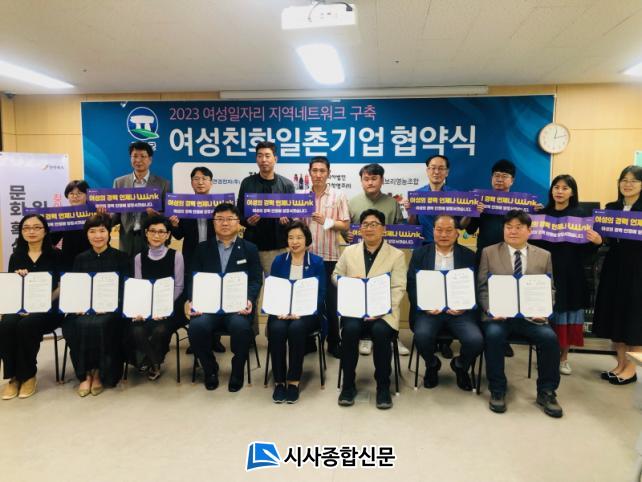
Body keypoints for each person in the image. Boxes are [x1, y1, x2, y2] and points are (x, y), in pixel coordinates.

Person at [477, 210, 563, 418]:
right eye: (508, 227)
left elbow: (549, 289)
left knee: (550, 338)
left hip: (531, 317)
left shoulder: (544, 255)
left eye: (518, 227)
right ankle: (498, 389)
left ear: (529, 231)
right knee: (494, 336)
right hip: (499, 316)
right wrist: (490, 309)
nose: (512, 231)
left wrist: (544, 311)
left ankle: (547, 391)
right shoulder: (489, 252)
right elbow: (482, 287)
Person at [333, 209, 407, 409]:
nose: (369, 228)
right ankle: (348, 384)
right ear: (360, 229)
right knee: (350, 330)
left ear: (383, 229)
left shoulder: (396, 255)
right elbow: (335, 276)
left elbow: (399, 287)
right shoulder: (349, 252)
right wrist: (347, 281)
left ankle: (383, 386)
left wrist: (383, 309)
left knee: (381, 332)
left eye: (374, 224)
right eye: (365, 224)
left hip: (383, 312)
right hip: (354, 310)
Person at [186, 203, 262, 392]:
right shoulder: (202, 248)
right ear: (213, 223)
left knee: (241, 327)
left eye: (230, 219)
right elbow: (193, 278)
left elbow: (255, 280)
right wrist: (192, 300)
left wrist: (249, 299)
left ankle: (237, 370)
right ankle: (210, 369)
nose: (225, 223)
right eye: (220, 219)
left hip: (237, 307)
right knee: (196, 327)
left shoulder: (250, 249)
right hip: (208, 307)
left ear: (238, 222)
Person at [531, 175, 602, 375]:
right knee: (544, 316)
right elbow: (533, 244)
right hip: (544, 273)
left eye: (565, 188)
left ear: (572, 192)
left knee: (567, 317)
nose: (559, 191)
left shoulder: (581, 216)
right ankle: (545, 356)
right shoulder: (541, 214)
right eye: (556, 187)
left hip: (571, 275)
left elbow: (587, 252)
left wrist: (597, 242)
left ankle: (563, 358)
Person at [406, 215, 483, 391]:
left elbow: (475, 286)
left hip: (460, 313)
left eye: (449, 230)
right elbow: (411, 284)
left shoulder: (469, 256)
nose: (443, 234)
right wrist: (425, 306)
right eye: (439, 230)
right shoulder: (419, 254)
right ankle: (432, 365)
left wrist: (464, 306)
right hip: (429, 312)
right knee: (421, 336)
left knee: (475, 340)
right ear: (433, 231)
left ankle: (461, 366)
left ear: (457, 233)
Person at [62, 213, 131, 396]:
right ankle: (85, 374)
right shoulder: (80, 258)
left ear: (109, 232)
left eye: (102, 231)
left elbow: (126, 288)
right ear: (87, 235)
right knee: (75, 324)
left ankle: (100, 372)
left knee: (101, 324)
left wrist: (110, 304)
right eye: (92, 231)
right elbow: (76, 287)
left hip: (112, 309)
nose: (97, 236)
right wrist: (78, 305)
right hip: (84, 309)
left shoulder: (122, 257)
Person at [347, 163, 409, 356]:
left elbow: (401, 227)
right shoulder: (353, 203)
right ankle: (365, 337)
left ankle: (393, 337)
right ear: (361, 181)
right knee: (362, 300)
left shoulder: (392, 203)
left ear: (382, 180)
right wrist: (346, 235)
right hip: (361, 260)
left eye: (374, 178)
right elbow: (346, 231)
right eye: (366, 179)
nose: (370, 182)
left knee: (390, 297)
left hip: (386, 260)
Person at [0, 214, 63, 400]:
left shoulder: (56, 255)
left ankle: (28, 376)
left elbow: (62, 286)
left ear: (45, 231)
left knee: (27, 325)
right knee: (7, 324)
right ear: (21, 232)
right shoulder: (16, 256)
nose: (31, 231)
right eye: (26, 228)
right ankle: (13, 377)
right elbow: (12, 287)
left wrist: (41, 303)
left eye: (36, 227)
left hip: (50, 308)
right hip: (21, 306)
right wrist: (18, 278)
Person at [461, 159, 520, 358]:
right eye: (496, 176)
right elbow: (467, 228)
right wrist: (472, 212)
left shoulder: (519, 204)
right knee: (482, 295)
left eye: (504, 176)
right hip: (484, 256)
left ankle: (503, 339)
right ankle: (480, 337)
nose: (499, 179)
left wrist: (535, 213)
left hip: (510, 257)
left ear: (512, 181)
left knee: (507, 296)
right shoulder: (482, 200)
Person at [593, 165, 642, 385]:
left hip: (638, 269)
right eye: (624, 180)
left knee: (634, 319)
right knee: (617, 316)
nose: (628, 184)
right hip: (614, 266)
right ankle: (620, 364)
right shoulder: (611, 208)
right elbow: (605, 238)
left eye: (633, 180)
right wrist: (598, 239)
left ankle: (631, 369)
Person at [267, 222, 326, 404]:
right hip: (281, 311)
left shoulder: (316, 262)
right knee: (277, 329)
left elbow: (321, 293)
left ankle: (293, 381)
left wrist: (301, 311)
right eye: (291, 237)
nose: (295, 241)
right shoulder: (279, 261)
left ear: (306, 240)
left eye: (299, 237)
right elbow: (273, 289)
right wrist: (279, 309)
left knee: (296, 328)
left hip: (308, 314)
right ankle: (279, 381)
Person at [169, 166, 225, 353]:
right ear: (191, 182)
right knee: (194, 296)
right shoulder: (183, 204)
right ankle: (196, 340)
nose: (200, 182)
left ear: (211, 182)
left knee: (215, 294)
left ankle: (215, 339)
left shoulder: (219, 206)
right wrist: (174, 225)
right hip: (192, 255)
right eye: (196, 179)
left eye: (204, 178)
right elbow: (178, 235)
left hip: (214, 254)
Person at [126, 215, 186, 381]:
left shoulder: (176, 256)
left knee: (161, 330)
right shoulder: (139, 258)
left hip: (170, 308)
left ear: (168, 235)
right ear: (146, 233)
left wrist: (162, 308)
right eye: (152, 231)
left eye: (161, 232)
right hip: (146, 307)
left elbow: (179, 287)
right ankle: (155, 362)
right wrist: (143, 309)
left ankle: (150, 361)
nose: (156, 235)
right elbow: (139, 286)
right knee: (136, 330)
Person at [302, 156, 350, 359]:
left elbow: (345, 224)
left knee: (331, 303)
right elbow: (297, 226)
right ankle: (308, 341)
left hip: (330, 257)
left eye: (322, 171)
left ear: (328, 173)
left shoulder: (338, 196)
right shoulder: (302, 197)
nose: (318, 174)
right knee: (307, 301)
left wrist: (327, 221)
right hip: (307, 258)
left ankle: (333, 342)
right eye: (315, 170)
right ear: (309, 173)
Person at [237, 141, 295, 275]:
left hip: (278, 246)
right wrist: (247, 222)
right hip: (252, 245)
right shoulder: (247, 183)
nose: (264, 160)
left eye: (267, 156)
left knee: (277, 283)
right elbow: (239, 214)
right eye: (260, 156)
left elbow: (293, 215)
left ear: (275, 159)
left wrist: (287, 221)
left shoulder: (287, 185)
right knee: (252, 284)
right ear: (256, 159)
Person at [112, 141, 171, 257]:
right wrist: (105, 216)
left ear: (150, 159)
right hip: (127, 239)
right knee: (127, 267)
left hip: (152, 238)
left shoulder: (163, 184)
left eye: (143, 156)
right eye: (135, 156)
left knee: (149, 267)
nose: (138, 160)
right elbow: (116, 214)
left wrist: (157, 216)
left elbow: (168, 215)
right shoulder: (119, 183)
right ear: (130, 158)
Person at [50, 180, 92, 270]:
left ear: (87, 195)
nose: (75, 196)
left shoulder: (95, 214)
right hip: (69, 261)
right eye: (71, 193)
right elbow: (52, 240)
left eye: (79, 193)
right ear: (67, 196)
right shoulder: (62, 216)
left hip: (91, 259)